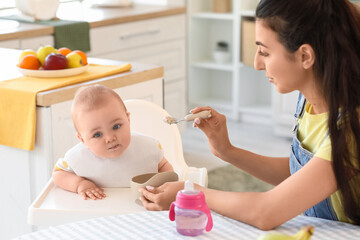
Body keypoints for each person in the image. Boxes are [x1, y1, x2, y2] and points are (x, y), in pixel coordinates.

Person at [139, 0, 360, 230]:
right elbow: (305, 176)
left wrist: (190, 192)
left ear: (305, 56)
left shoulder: (352, 127)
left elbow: (266, 212)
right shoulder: (311, 101)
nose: (256, 63)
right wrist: (227, 151)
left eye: (264, 51)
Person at [52, 84, 173, 200]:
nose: (110, 138)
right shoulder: (78, 157)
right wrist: (79, 184)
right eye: (97, 134)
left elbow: (164, 167)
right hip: (98, 210)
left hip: (142, 206)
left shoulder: (148, 147)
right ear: (83, 140)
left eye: (116, 126)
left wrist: (165, 187)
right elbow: (58, 174)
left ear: (128, 119)